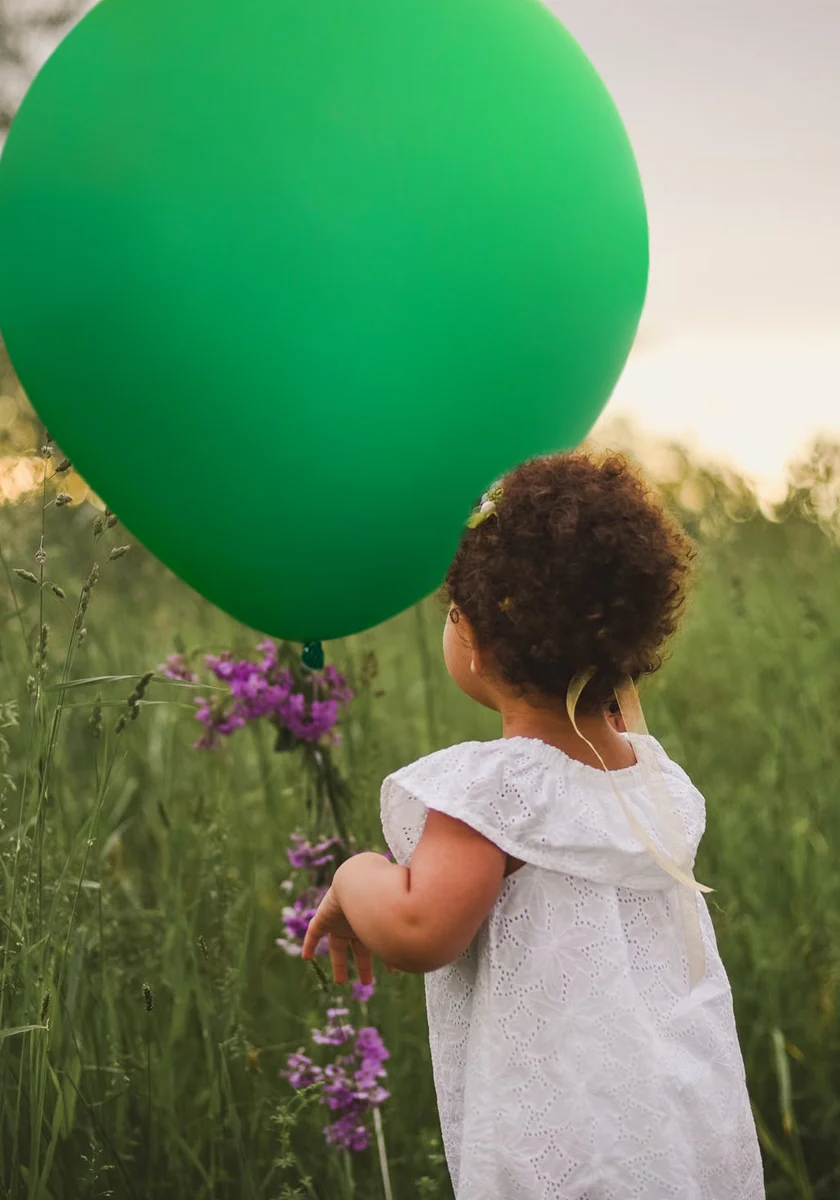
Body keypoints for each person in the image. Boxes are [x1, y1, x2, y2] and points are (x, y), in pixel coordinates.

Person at [302, 452, 763, 1198]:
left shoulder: (497, 796)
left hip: (567, 1146)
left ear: (476, 643)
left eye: (454, 614)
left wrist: (356, 876)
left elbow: (421, 930)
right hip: (678, 1127)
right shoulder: (651, 780)